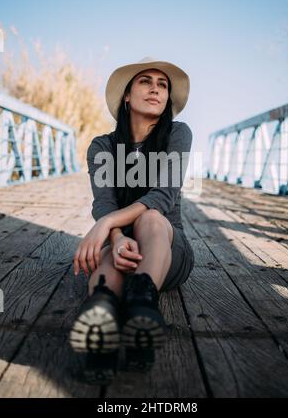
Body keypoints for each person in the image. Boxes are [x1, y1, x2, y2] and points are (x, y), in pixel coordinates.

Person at [69, 57, 195, 382]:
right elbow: (105, 202)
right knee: (111, 260)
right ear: (127, 95)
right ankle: (102, 336)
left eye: (162, 84)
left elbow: (163, 197)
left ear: (167, 98)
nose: (155, 88)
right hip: (123, 245)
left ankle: (142, 309)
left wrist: (103, 225)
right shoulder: (102, 146)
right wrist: (114, 236)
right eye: (145, 81)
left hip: (166, 248)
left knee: (151, 217)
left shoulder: (177, 135)